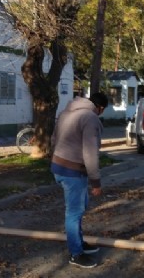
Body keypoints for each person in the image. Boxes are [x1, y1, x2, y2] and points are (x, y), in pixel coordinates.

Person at [50, 92, 108, 268]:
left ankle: (79, 243)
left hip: (59, 167)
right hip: (73, 172)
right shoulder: (90, 117)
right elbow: (90, 153)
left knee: (77, 209)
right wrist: (96, 182)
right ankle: (76, 254)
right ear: (101, 108)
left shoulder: (67, 111)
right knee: (74, 212)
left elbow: (53, 139)